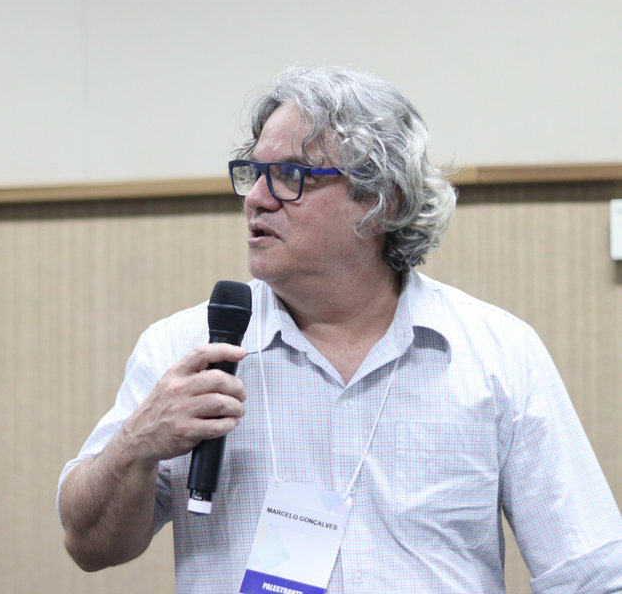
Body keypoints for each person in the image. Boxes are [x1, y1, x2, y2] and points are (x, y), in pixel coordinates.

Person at [57, 66, 622, 593]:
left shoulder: (498, 352)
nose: (256, 199)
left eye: (290, 176)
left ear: (381, 201)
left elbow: (591, 573)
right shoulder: (187, 350)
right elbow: (90, 545)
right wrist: (137, 444)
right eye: (254, 174)